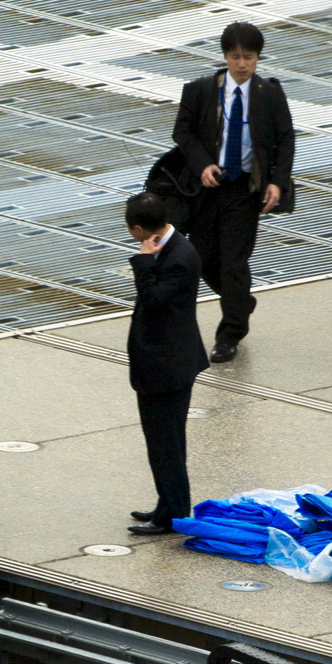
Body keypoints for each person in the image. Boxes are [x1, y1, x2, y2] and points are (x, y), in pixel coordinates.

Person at [172, 21, 295, 363]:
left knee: (233, 263)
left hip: (245, 188)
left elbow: (286, 138)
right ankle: (240, 301)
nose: (242, 64)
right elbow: (182, 132)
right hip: (208, 187)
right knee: (202, 258)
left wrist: (277, 181)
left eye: (249, 57)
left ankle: (230, 333)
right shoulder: (200, 90)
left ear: (258, 58)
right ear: (225, 56)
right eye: (236, 57)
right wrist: (202, 165)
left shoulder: (269, 93)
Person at [123, 193, 209, 536]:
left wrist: (144, 262)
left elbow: (154, 299)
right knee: (162, 443)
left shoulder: (179, 257)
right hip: (164, 363)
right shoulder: (171, 247)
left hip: (168, 367)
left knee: (166, 445)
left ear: (139, 229)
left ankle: (172, 515)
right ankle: (167, 504)